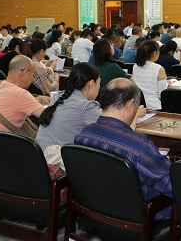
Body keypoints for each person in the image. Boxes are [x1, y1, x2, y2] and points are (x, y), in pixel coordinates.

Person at [74, 78, 169, 219]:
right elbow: (171, 187)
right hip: (137, 219)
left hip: (94, 212)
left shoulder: (83, 135)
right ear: (130, 104)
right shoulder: (140, 147)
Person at [36, 63, 102, 163]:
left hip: (38, 159)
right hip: (56, 166)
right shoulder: (86, 107)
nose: (99, 87)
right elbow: (106, 133)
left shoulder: (58, 96)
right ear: (91, 83)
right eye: (99, 83)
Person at [0, 55, 49, 133]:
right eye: (33, 74)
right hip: (4, 140)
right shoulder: (22, 94)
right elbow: (48, 117)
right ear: (24, 72)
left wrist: (38, 99)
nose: (33, 79)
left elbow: (12, 99)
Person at [132, 40, 167, 110]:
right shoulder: (159, 68)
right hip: (155, 106)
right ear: (154, 53)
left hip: (138, 105)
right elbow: (162, 94)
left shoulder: (135, 66)